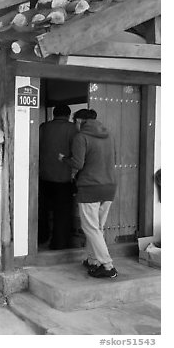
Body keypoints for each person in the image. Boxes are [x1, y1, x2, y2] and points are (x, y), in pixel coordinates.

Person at [60, 109, 118, 278]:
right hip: (109, 187)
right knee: (97, 227)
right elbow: (114, 158)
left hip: (90, 187)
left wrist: (64, 158)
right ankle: (93, 260)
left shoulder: (81, 137)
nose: (74, 125)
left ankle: (108, 266)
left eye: (74, 122)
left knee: (90, 227)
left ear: (80, 120)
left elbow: (77, 164)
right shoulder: (109, 135)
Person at [38, 105, 77, 249]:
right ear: (68, 115)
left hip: (43, 176)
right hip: (63, 178)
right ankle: (59, 243)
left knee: (42, 210)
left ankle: (41, 237)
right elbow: (76, 153)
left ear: (54, 114)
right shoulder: (72, 129)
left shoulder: (43, 127)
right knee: (62, 213)